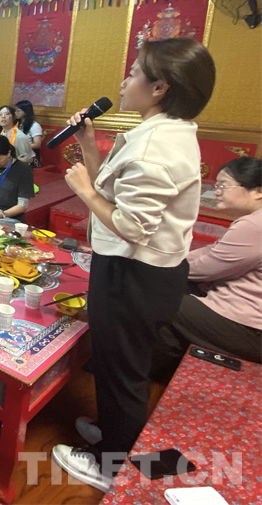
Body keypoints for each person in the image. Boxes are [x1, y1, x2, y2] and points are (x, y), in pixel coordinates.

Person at [52, 38, 216, 492]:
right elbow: (117, 190)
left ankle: (109, 464)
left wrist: (84, 191)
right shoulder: (164, 132)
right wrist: (88, 145)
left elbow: (131, 226)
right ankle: (115, 434)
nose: (124, 82)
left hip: (134, 275)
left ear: (160, 87)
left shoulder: (154, 148)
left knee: (123, 369)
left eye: (134, 73)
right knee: (117, 362)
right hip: (141, 273)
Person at [150, 156, 262, 379]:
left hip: (250, 327)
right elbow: (213, 252)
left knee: (156, 300)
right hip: (247, 318)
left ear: (258, 191)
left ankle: (142, 374)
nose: (216, 192)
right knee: (169, 287)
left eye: (223, 185)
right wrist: (175, 262)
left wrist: (161, 265)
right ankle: (159, 374)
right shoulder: (253, 221)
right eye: (216, 185)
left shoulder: (253, 225)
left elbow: (207, 267)